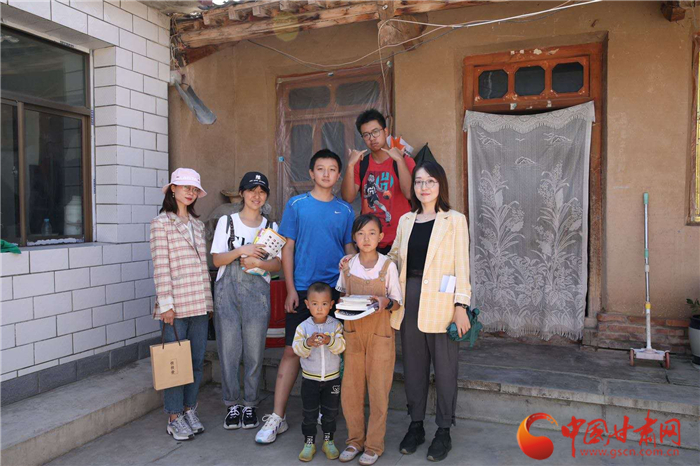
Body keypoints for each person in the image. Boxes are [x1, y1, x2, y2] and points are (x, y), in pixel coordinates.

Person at [255, 149, 355, 444]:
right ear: (311, 173)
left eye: (332, 169)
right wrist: (289, 290)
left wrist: (352, 284)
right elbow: (288, 248)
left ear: (339, 175)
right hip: (301, 289)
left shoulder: (345, 210)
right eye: (320, 168)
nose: (326, 174)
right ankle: (278, 417)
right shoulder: (297, 205)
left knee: (336, 349)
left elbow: (349, 249)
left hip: (335, 292)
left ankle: (328, 410)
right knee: (291, 350)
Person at [387, 161, 472, 462]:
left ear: (440, 185)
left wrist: (461, 307)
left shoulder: (455, 220)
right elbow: (394, 257)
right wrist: (364, 260)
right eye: (419, 181)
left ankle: (444, 430)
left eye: (431, 181)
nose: (424, 187)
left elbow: (462, 266)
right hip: (409, 300)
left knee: (446, 369)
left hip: (443, 304)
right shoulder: (406, 220)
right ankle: (416, 425)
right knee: (413, 367)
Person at [210, 172, 282, 430]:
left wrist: (258, 263)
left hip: (257, 293)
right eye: (251, 190)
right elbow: (217, 260)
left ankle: (250, 403)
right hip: (227, 293)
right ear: (242, 193)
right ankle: (232, 404)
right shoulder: (227, 222)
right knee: (229, 350)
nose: (256, 195)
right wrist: (242, 250)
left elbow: (277, 265)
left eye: (262, 191)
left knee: (254, 351)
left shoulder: (271, 227)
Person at [150, 168, 213, 441]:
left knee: (196, 362)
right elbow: (161, 266)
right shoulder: (161, 223)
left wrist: (209, 303)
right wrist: (165, 304)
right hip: (175, 306)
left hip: (199, 303)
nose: (190, 192)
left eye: (194, 189)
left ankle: (189, 410)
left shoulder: (198, 225)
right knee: (175, 363)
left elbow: (202, 268)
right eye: (185, 187)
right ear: (172, 189)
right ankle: (174, 417)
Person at [335, 214, 403, 466]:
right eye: (361, 234)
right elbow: (341, 294)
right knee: (350, 389)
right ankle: (354, 440)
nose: (366, 239)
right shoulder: (347, 265)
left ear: (381, 237)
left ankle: (374, 445)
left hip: (380, 334)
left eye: (372, 233)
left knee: (378, 390)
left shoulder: (388, 266)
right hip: (353, 333)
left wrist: (385, 302)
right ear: (354, 237)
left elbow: (397, 302)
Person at [341, 109, 416, 254]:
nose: (372, 138)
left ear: (385, 131)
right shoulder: (361, 164)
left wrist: (400, 160)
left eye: (375, 132)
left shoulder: (404, 161)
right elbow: (348, 197)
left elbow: (409, 193)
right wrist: (350, 165)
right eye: (366, 135)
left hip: (402, 241)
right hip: (370, 243)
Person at [292, 282, 346, 462]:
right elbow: (297, 349)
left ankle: (328, 441)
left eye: (324, 304)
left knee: (330, 413)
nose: (319, 308)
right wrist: (308, 343)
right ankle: (309, 443)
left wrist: (330, 341)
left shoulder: (336, 326)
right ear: (307, 304)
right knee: (309, 414)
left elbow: (341, 347)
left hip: (332, 379)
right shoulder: (303, 327)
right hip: (310, 380)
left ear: (331, 304)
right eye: (315, 304)